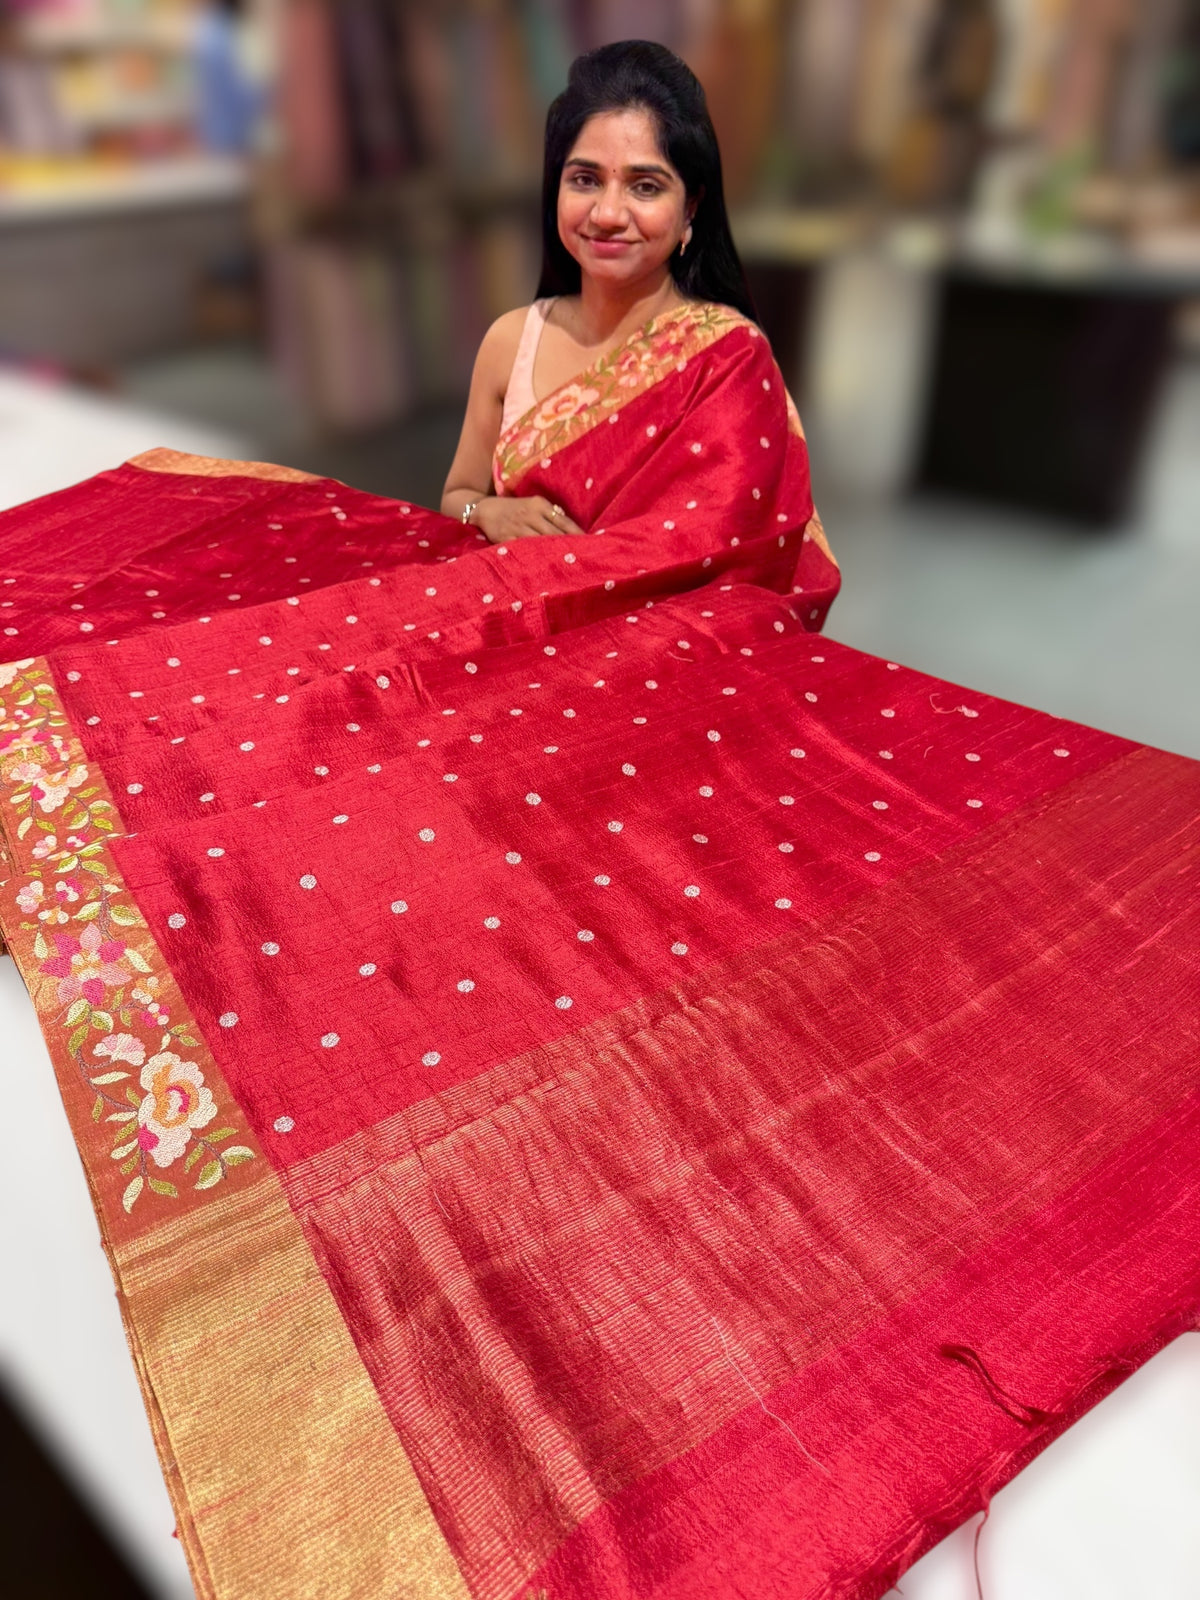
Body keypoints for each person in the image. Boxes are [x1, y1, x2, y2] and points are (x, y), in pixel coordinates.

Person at [440, 40, 786, 548]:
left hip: (666, 627)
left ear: (691, 207)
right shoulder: (511, 342)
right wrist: (488, 510)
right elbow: (456, 497)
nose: (606, 213)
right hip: (515, 614)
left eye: (645, 186)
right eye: (584, 179)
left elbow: (734, 553)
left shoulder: (727, 360)